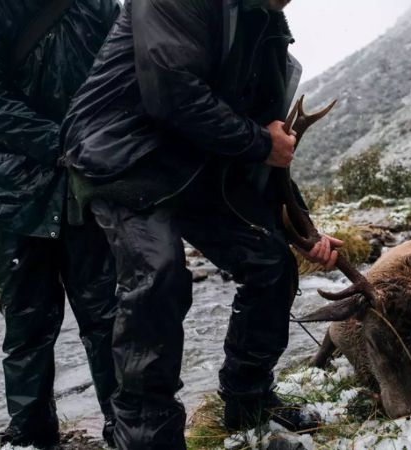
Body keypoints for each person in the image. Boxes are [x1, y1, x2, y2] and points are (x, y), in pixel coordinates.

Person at [61, 0, 340, 447]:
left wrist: (304, 231)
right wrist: (257, 142)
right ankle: (149, 435)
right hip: (122, 158)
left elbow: (269, 153)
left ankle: (248, 399)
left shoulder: (268, 33)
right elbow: (172, 92)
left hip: (194, 162)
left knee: (269, 259)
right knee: (159, 275)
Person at [0, 0, 121, 447]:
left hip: (88, 187)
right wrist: (66, 144)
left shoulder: (97, 4)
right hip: (13, 195)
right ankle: (31, 434)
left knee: (108, 318)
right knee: (26, 325)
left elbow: (123, 71)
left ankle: (128, 426)